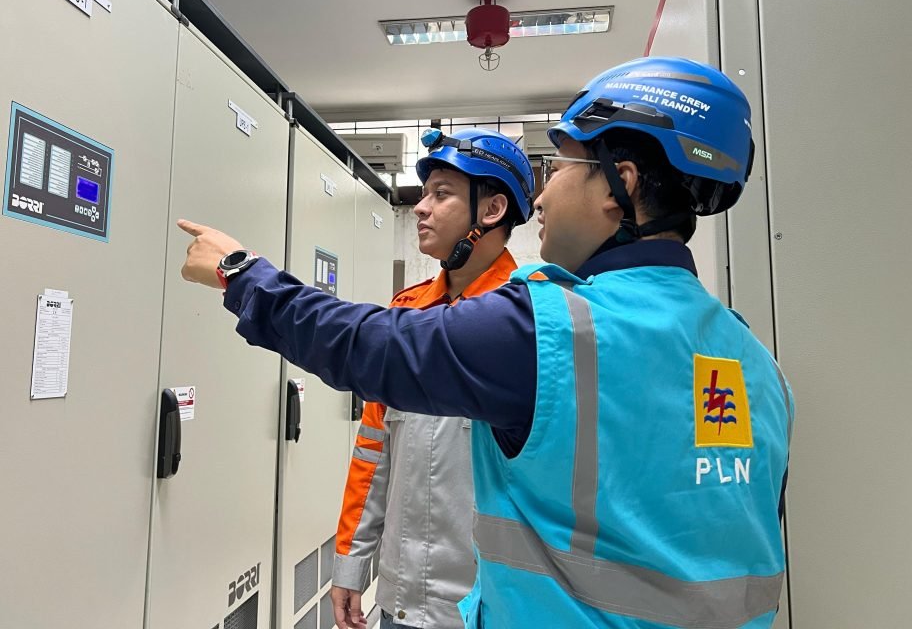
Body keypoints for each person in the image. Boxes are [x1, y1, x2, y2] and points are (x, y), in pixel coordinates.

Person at [179, 57, 794, 629]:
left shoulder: (548, 328)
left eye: (561, 167)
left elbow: (367, 348)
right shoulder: (757, 366)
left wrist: (241, 273)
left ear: (619, 186)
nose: (544, 195)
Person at [331, 128, 535, 629]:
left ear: (492, 211)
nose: (421, 208)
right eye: (425, 194)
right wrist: (351, 564)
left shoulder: (533, 322)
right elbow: (372, 450)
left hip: (492, 606)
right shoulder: (407, 313)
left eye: (441, 194)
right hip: (400, 602)